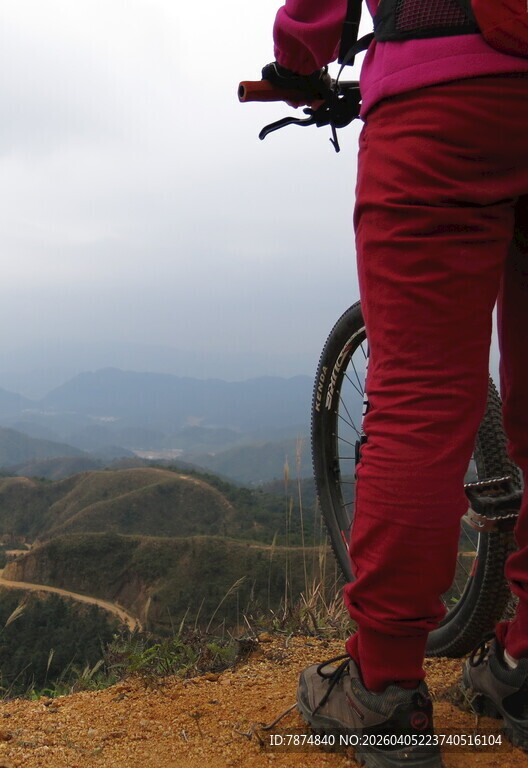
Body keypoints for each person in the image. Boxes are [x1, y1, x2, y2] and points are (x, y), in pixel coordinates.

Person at [265, 1, 528, 765]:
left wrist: (297, 62)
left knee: (418, 400)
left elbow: (315, 16)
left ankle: (383, 690)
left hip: (445, 95)